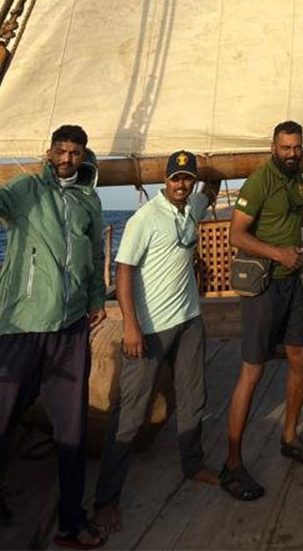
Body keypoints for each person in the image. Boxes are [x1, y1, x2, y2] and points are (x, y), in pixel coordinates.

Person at [0, 125, 107, 550]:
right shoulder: (27, 190)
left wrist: (96, 298)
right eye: (61, 151)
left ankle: (71, 521)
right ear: (49, 153)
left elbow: (95, 252)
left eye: (75, 153)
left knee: (72, 432)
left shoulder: (88, 199)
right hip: (21, 329)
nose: (67, 159)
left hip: (69, 332)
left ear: (84, 157)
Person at [92, 151, 221, 533]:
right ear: (164, 180)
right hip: (149, 330)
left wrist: (216, 172)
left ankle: (193, 464)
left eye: (188, 179)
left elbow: (209, 194)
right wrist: (130, 325)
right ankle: (106, 501)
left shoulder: (192, 206)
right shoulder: (144, 219)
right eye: (175, 178)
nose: (182, 185)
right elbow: (123, 271)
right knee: (130, 411)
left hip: (189, 321)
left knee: (194, 395)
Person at [221, 120, 303, 501]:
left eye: (296, 147)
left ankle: (289, 436)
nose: (291, 153)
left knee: (300, 356)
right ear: (273, 147)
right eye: (285, 147)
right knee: (253, 370)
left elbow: (299, 214)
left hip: (289, 283)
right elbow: (236, 234)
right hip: (263, 284)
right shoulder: (260, 181)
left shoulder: (295, 179)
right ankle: (232, 463)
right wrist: (280, 253)